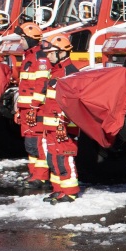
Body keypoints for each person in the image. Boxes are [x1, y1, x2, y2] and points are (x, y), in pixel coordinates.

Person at [36, 34, 81, 203]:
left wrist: (66, 123)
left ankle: (70, 192)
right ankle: (58, 189)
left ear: (62, 52)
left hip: (64, 126)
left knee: (64, 158)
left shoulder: (70, 73)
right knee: (53, 158)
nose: (47, 56)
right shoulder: (54, 72)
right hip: (51, 125)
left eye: (51, 52)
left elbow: (73, 104)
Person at [12, 21, 51, 189]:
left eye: (22, 38)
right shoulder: (28, 57)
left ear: (30, 39)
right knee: (30, 143)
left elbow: (41, 84)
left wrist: (34, 107)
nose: (20, 42)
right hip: (26, 108)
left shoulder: (40, 58)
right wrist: (18, 108)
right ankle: (34, 173)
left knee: (38, 142)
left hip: (36, 108)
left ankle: (41, 177)